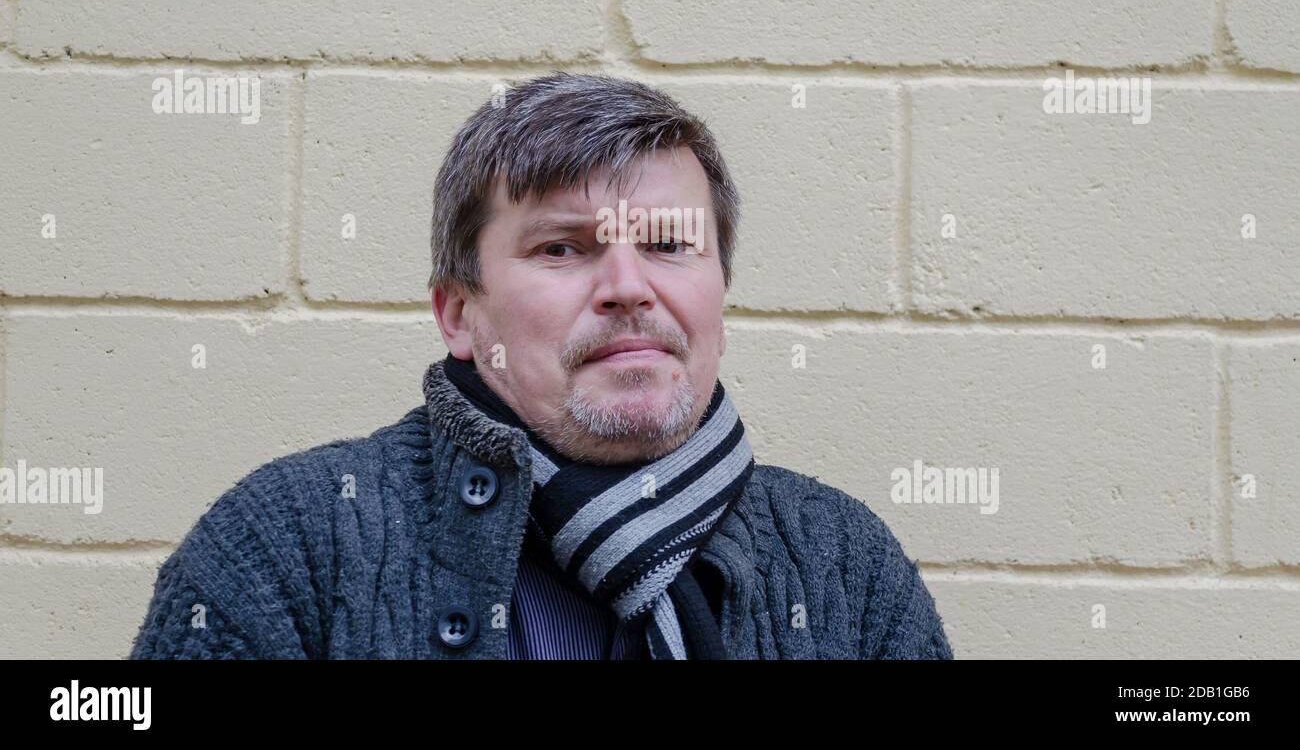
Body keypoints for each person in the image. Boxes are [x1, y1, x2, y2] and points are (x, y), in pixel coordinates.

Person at [130, 71, 953, 660]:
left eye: (670, 245)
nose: (629, 287)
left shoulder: (846, 566)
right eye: (563, 247)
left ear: (719, 297)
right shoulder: (289, 547)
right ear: (459, 312)